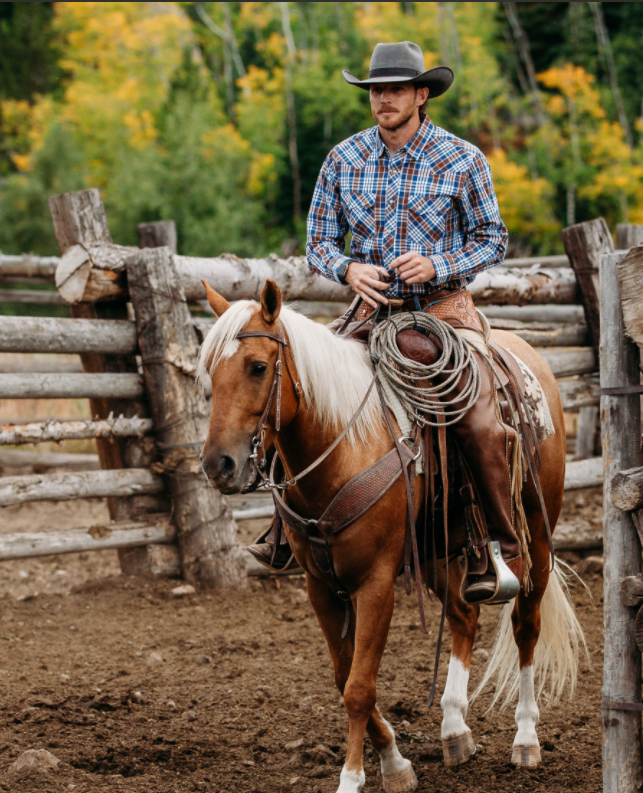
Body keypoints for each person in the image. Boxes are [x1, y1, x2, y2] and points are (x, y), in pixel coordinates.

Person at [249, 41, 520, 604]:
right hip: (370, 312)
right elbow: (318, 242)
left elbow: (493, 237)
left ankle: (493, 544)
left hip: (444, 310)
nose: (384, 100)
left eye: (396, 89)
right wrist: (348, 269)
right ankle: (285, 527)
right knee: (295, 389)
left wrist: (439, 263)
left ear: (422, 95)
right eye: (376, 90)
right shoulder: (342, 159)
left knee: (476, 419)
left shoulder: (461, 158)